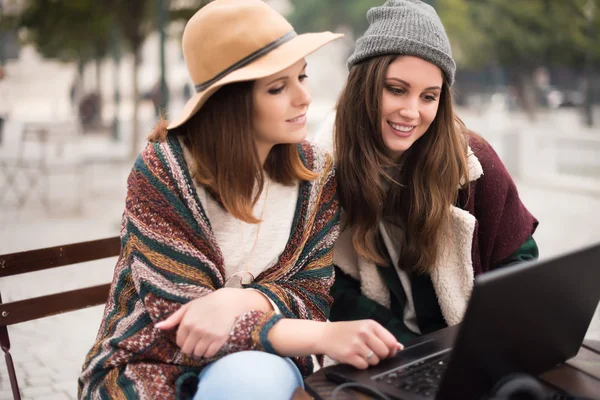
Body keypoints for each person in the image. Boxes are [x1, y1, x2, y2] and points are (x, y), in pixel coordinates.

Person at [78, 1, 402, 399]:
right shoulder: (165, 171)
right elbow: (182, 323)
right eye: (278, 87)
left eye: (302, 76)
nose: (303, 97)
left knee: (249, 377)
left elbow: (311, 295)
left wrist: (236, 299)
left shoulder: (315, 173)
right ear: (231, 102)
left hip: (263, 363)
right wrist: (321, 335)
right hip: (149, 364)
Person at [317, 0, 539, 345]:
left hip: (470, 349)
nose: (411, 111)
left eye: (429, 96)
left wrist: (480, 340)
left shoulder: (472, 165)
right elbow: (333, 285)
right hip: (386, 355)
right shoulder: (327, 170)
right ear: (363, 87)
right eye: (396, 89)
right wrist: (407, 347)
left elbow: (521, 262)